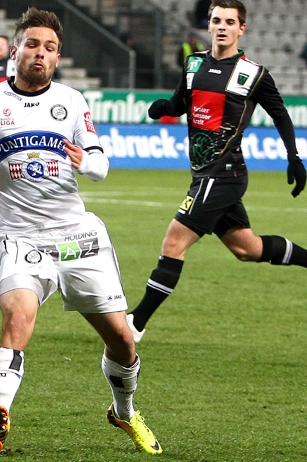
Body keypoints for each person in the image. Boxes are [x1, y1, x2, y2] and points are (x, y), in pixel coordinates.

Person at [0, 7, 162, 456]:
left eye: (49, 48)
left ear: (57, 57)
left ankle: (123, 410)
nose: (39, 53)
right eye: (32, 44)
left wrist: (87, 162)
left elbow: (100, 165)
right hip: (21, 237)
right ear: (16, 49)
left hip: (77, 238)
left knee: (122, 340)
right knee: (18, 317)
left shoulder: (72, 101)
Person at [126, 0, 307, 343]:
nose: (222, 26)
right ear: (208, 25)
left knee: (173, 241)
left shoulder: (253, 73)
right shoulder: (193, 64)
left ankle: (136, 322)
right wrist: (165, 107)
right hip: (204, 173)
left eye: (229, 21)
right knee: (247, 249)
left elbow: (280, 114)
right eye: (216, 20)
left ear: (242, 29)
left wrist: (293, 157)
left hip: (223, 173)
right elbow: (181, 102)